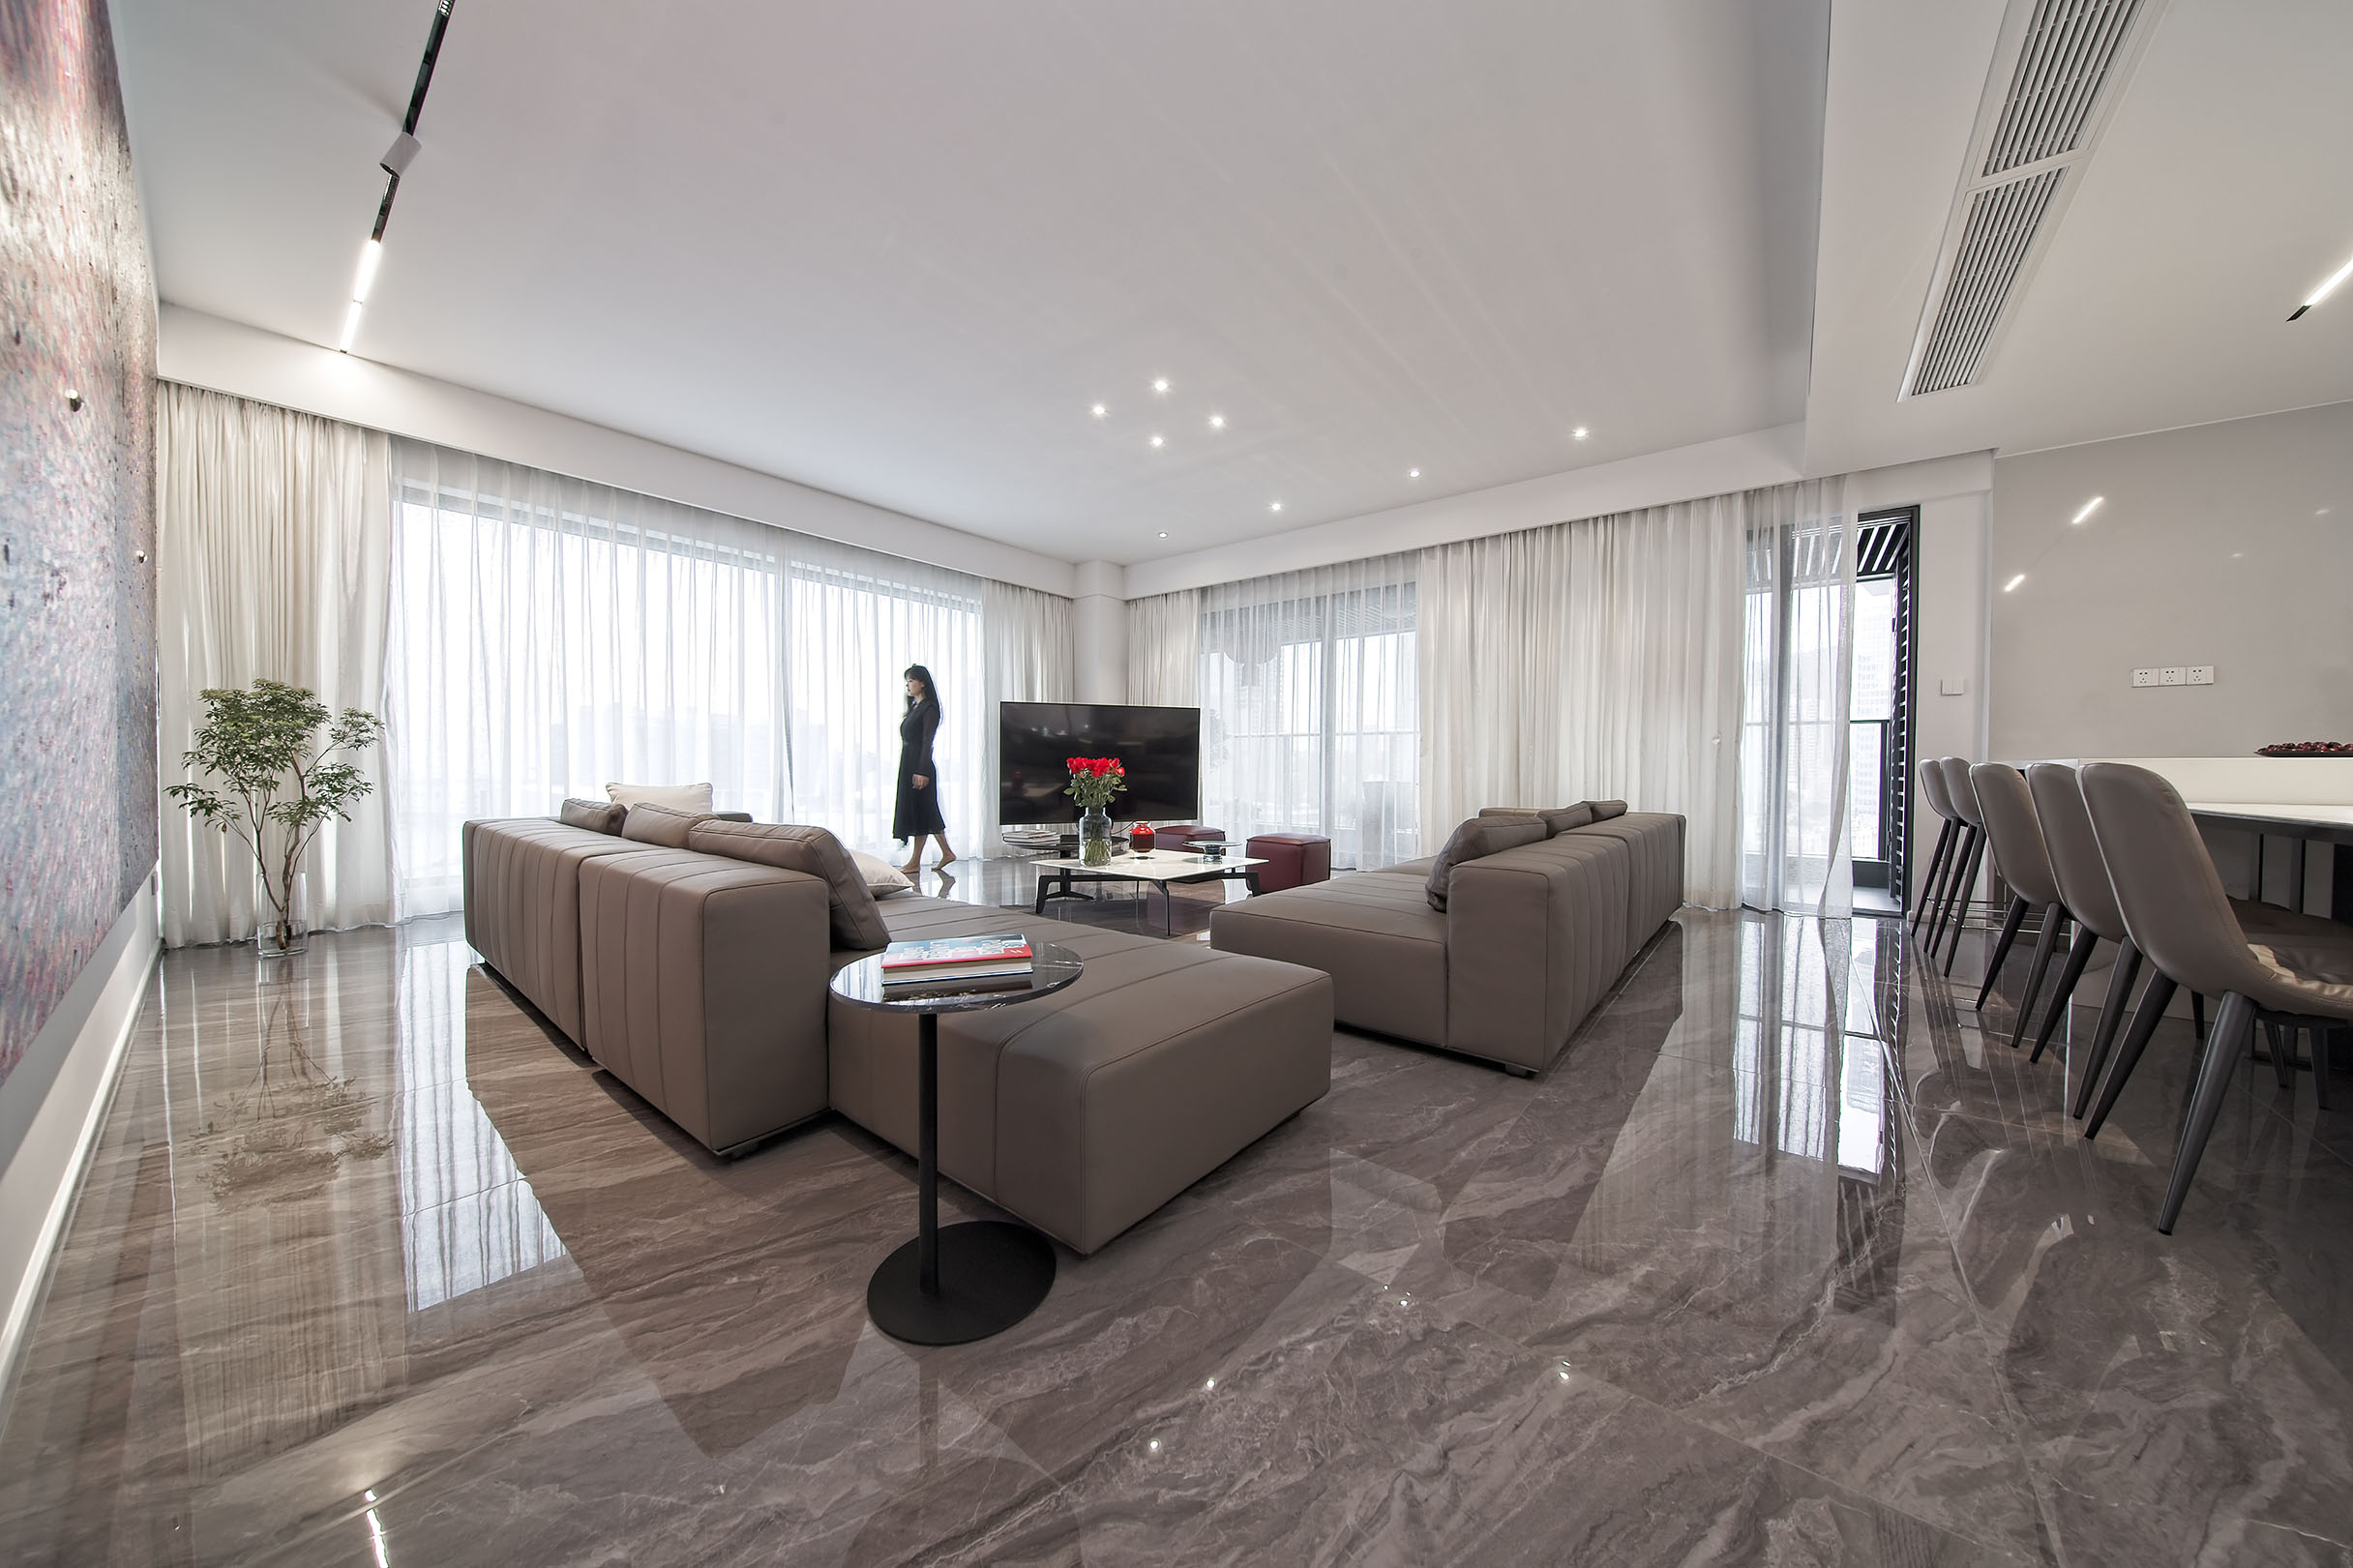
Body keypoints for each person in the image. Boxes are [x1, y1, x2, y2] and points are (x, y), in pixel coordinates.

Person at [893, 665, 954, 874]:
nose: (908, 685)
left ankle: (915, 861)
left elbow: (928, 741)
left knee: (922, 811)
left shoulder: (929, 709)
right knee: (926, 811)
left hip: (920, 765)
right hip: (910, 763)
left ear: (922, 683)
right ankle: (946, 852)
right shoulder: (915, 708)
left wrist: (922, 770)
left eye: (910, 681)